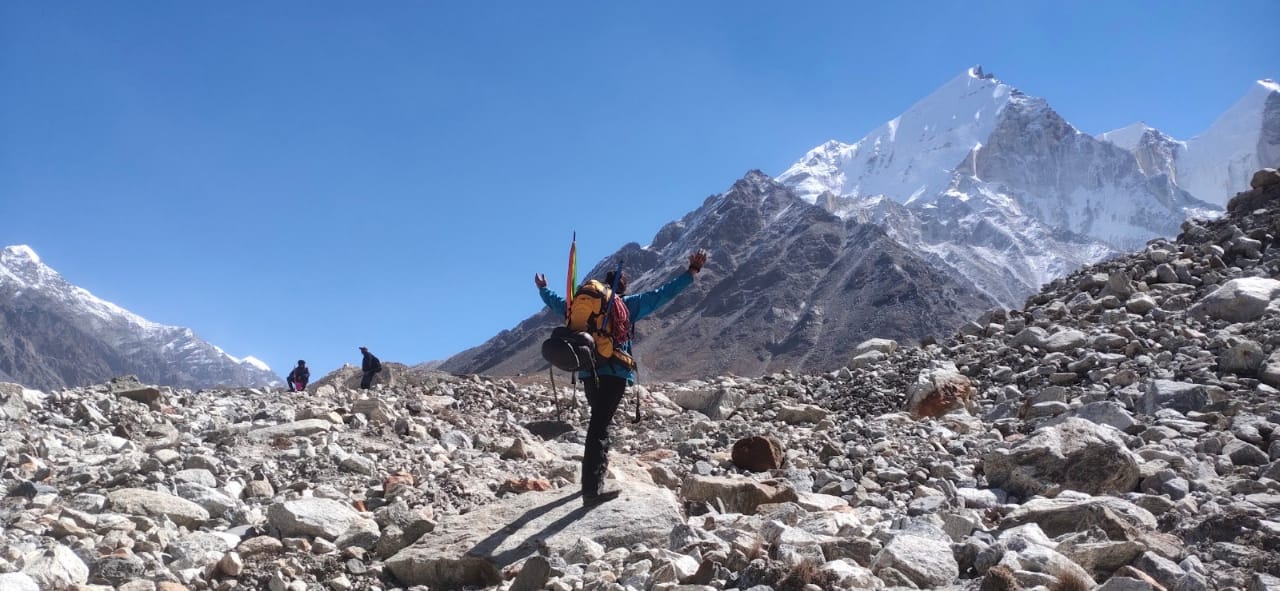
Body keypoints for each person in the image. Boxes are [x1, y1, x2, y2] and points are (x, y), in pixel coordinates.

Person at [535, 250, 708, 506]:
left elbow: (560, 305)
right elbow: (662, 294)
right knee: (600, 427)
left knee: (598, 423)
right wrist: (691, 272)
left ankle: (594, 480)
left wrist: (543, 290)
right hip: (614, 373)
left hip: (587, 371)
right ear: (623, 287)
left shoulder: (583, 307)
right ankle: (592, 491)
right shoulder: (626, 305)